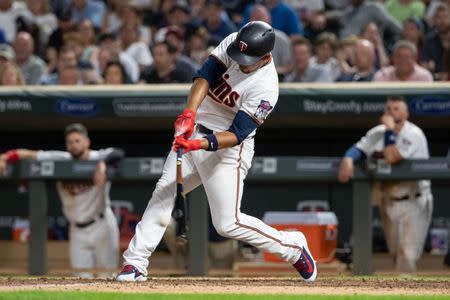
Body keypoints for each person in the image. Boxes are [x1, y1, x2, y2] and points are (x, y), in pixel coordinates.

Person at [116, 21, 317, 282]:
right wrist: (189, 114)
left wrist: (198, 144)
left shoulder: (266, 87)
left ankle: (293, 247)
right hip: (196, 130)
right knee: (163, 192)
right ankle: (135, 263)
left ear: (266, 57)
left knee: (227, 223)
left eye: (248, 59)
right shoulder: (234, 41)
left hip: (227, 149)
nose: (241, 62)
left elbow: (237, 134)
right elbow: (206, 75)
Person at [0, 123, 123, 278]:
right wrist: (5, 156)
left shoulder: (97, 157)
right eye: (69, 142)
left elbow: (118, 153)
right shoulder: (61, 159)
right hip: (77, 230)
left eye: (77, 141)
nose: (73, 145)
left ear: (87, 142)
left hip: (102, 225)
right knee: (80, 279)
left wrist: (104, 164)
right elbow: (30, 155)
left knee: (107, 276)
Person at [337, 96, 433, 273]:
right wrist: (349, 158)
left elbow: (392, 157)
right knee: (396, 254)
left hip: (415, 199)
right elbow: (360, 147)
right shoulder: (378, 131)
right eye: (388, 109)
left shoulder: (413, 133)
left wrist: (389, 130)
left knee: (408, 255)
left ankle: (408, 292)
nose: (390, 112)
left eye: (396, 109)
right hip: (388, 200)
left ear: (406, 114)